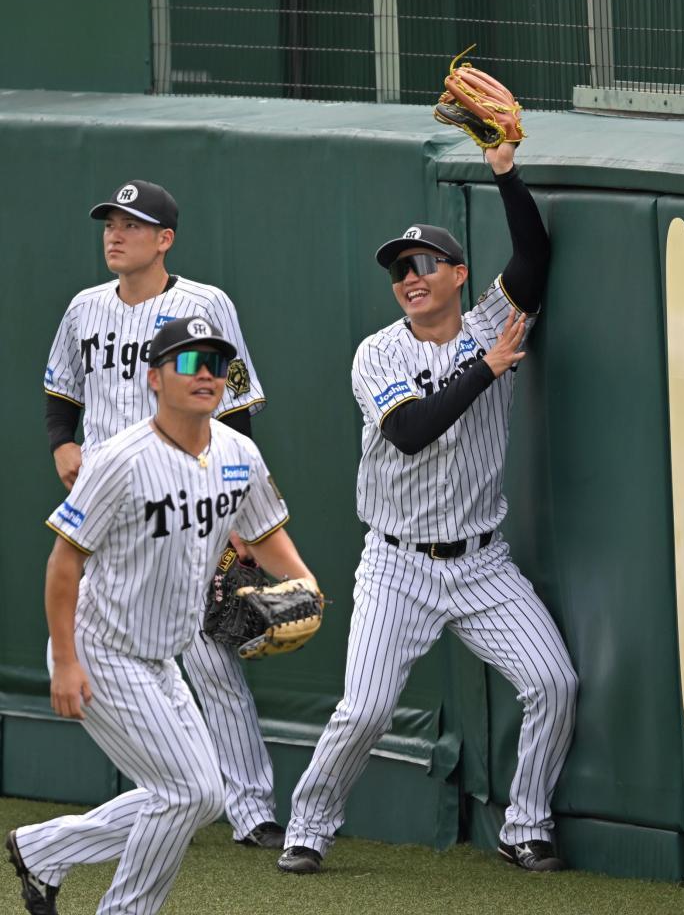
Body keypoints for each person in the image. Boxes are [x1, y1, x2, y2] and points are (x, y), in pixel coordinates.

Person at [277, 143, 578, 875]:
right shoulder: (376, 355)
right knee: (366, 711)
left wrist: (504, 169)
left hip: (481, 562)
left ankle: (525, 823)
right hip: (396, 563)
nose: (408, 277)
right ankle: (309, 826)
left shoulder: (489, 325)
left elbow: (533, 256)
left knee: (552, 683)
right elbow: (410, 433)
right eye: (397, 269)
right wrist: (487, 369)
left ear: (458, 275)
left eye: (422, 264)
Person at [7, 317, 317, 915]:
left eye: (215, 363)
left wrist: (303, 581)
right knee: (187, 792)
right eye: (187, 361)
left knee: (201, 798)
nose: (205, 373)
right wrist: (66, 661)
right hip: (101, 649)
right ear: (153, 378)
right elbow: (63, 565)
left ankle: (43, 849)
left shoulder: (238, 452)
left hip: (161, 656)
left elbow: (265, 531)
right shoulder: (119, 460)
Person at [42, 180, 286, 848]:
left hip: (186, 503)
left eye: (132, 224)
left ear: (164, 239)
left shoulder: (203, 306)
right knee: (107, 642)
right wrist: (64, 441)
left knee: (206, 653)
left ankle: (250, 805)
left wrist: (235, 511)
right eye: (110, 223)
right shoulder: (84, 308)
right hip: (108, 507)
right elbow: (61, 388)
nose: (115, 235)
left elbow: (234, 407)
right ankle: (169, 793)